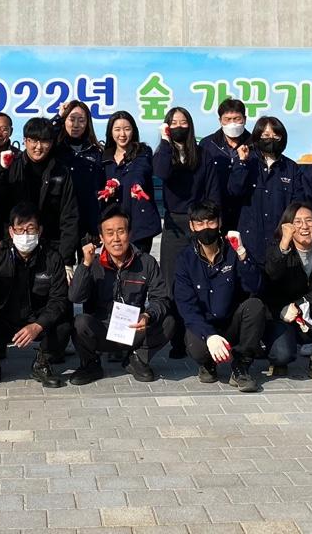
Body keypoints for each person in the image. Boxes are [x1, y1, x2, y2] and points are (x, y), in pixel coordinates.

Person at [0, 203, 72, 389]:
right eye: (20, 229)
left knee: (63, 326)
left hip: (37, 317)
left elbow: (59, 300)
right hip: (3, 317)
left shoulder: (52, 257)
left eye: (30, 229)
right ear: (11, 231)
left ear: (39, 231)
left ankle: (42, 363)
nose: (25, 234)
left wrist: (38, 325)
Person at [67, 207, 176, 385]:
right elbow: (75, 297)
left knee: (168, 321)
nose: (116, 239)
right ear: (101, 238)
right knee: (79, 322)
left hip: (133, 329)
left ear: (130, 233)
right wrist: (85, 264)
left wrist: (147, 315)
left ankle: (137, 359)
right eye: (109, 233)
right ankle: (90, 364)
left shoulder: (146, 262)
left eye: (121, 231)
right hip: (102, 330)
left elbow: (161, 299)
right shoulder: (93, 263)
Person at [154, 106, 229, 357]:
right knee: (173, 281)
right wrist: (166, 142)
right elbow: (161, 172)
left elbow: (213, 190)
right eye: (173, 122)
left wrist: (211, 221)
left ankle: (200, 333)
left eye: (183, 122)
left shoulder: (203, 154)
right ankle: (177, 340)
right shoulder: (163, 152)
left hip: (200, 221)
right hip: (175, 224)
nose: (179, 126)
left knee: (203, 277)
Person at [174, 200, 265, 392]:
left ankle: (241, 366)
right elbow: (186, 306)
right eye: (200, 223)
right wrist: (209, 335)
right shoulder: (185, 259)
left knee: (255, 306)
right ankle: (208, 363)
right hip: (204, 326)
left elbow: (254, 286)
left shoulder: (234, 249)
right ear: (191, 226)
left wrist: (242, 253)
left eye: (211, 222)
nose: (206, 228)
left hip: (231, 323)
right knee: (196, 346)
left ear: (220, 222)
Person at [260, 202, 312, 385]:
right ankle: (277, 357)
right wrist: (284, 244)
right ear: (287, 226)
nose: (304, 226)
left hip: (310, 314)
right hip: (283, 317)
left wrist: (300, 304)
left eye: (309, 220)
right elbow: (270, 278)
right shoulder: (276, 249)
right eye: (297, 222)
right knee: (282, 355)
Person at [229, 115, 312, 264]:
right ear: (257, 136)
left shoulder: (291, 168)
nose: (271, 139)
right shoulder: (246, 161)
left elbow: (297, 206)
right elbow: (234, 191)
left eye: (276, 136)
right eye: (266, 135)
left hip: (281, 243)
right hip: (250, 243)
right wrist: (242, 163)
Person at [0, 117, 79, 264]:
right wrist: (0, 171)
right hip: (15, 247)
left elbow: (69, 217)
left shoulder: (61, 171)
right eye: (34, 140)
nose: (38, 147)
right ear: (24, 141)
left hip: (52, 249)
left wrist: (65, 260)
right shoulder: (11, 167)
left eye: (44, 141)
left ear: (51, 143)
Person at [100, 110, 161, 253]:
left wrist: (137, 185)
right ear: (110, 132)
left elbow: (140, 170)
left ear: (133, 131)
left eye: (127, 129)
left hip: (139, 225)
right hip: (114, 224)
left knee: (139, 264)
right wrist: (108, 189)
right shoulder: (104, 157)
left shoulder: (143, 151)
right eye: (117, 129)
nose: (122, 134)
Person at [55, 99, 105, 249]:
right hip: (61, 222)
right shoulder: (56, 149)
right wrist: (58, 117)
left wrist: (98, 225)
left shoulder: (96, 152)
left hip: (88, 224)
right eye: (71, 119)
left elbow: (100, 188)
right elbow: (45, 133)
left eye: (81, 120)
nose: (76, 125)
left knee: (89, 263)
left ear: (87, 123)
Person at [200, 98, 249, 228]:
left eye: (236, 119)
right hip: (215, 212)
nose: (232, 123)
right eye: (227, 119)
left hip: (247, 212)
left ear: (244, 119)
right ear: (220, 121)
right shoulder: (207, 144)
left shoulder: (254, 144)